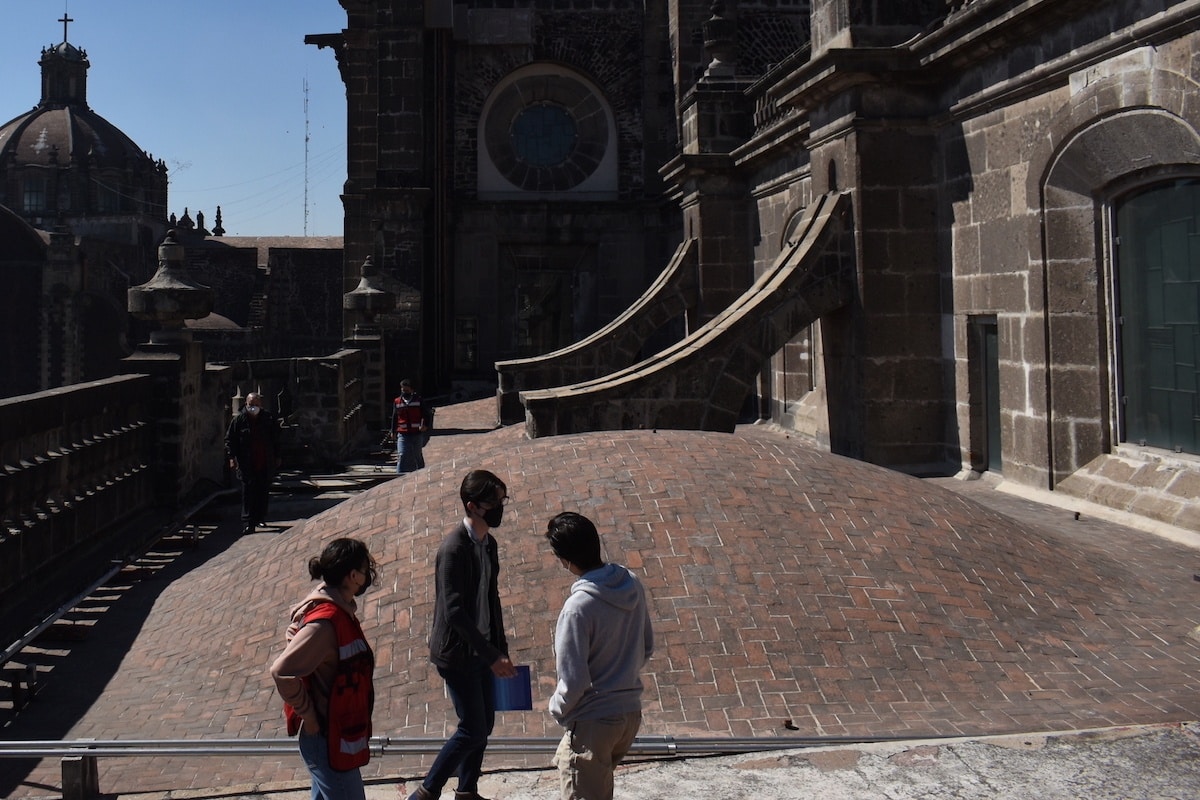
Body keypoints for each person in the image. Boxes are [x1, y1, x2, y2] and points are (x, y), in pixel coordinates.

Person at [408, 470, 519, 800]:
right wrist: (490, 653)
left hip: (484, 650)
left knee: (484, 725)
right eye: (494, 502)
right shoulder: (454, 549)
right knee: (472, 727)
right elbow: (454, 611)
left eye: (502, 499)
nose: (500, 507)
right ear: (473, 506)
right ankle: (427, 792)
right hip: (458, 655)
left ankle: (467, 791)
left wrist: (500, 647)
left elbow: (490, 597)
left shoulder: (488, 545)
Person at [544, 512, 654, 800]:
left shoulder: (577, 609)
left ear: (565, 560)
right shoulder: (631, 582)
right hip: (629, 715)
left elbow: (574, 681)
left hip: (594, 723)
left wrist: (556, 708)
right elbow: (647, 646)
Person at [271, 538, 378, 800]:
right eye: (365, 571)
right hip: (326, 740)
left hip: (333, 736)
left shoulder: (336, 609)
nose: (367, 576)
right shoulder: (328, 621)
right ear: (353, 576)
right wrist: (309, 717)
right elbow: (281, 671)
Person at [225, 392, 281, 533]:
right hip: (246, 463)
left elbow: (276, 439)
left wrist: (278, 456)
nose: (253, 408)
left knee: (262, 491)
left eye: (256, 405)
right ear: (246, 404)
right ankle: (248, 522)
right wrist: (232, 457)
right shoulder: (239, 421)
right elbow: (230, 440)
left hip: (264, 461)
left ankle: (260, 518)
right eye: (251, 405)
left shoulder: (268, 419)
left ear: (260, 405)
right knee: (248, 493)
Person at [390, 378, 431, 474]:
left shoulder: (418, 400)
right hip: (403, 433)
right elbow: (395, 417)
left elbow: (426, 414)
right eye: (403, 390)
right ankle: (398, 475)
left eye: (407, 390)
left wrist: (425, 425)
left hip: (416, 433)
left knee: (417, 455)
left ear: (412, 390)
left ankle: (421, 472)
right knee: (402, 454)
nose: (404, 392)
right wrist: (393, 431)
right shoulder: (397, 402)